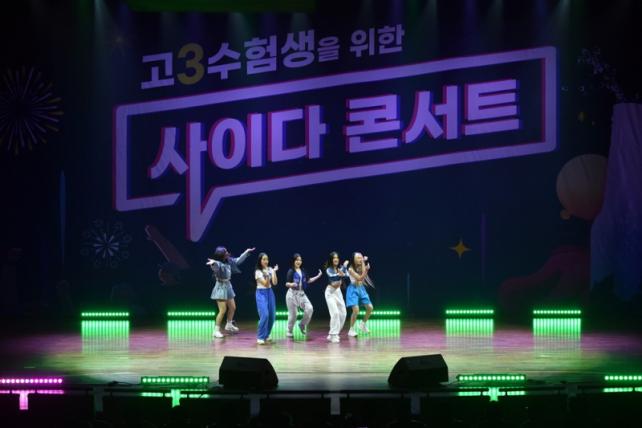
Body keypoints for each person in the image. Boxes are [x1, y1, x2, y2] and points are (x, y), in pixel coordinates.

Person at [206, 246, 255, 338]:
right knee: (222, 310)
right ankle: (216, 331)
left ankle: (229, 324)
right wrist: (213, 264)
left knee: (232, 307)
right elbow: (216, 267)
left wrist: (246, 252)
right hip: (220, 287)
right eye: (225, 252)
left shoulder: (229, 261)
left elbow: (238, 260)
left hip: (228, 286)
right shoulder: (218, 263)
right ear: (221, 255)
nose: (227, 253)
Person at [284, 253, 322, 338]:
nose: (299, 262)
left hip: (301, 294)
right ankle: (289, 331)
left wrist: (318, 276)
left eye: (300, 260)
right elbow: (287, 283)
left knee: (310, 308)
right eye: (297, 260)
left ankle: (302, 324)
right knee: (293, 315)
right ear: (294, 261)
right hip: (291, 295)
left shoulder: (303, 271)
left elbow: (308, 280)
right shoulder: (291, 271)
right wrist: (291, 284)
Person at [346, 252, 374, 337]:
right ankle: (351, 329)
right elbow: (360, 278)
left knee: (370, 308)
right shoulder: (350, 269)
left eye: (361, 257)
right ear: (353, 259)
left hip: (361, 288)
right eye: (358, 258)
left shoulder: (361, 265)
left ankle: (362, 324)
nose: (360, 259)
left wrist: (363, 262)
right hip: (353, 289)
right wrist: (366, 269)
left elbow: (363, 273)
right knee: (356, 310)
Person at [324, 251, 349, 343]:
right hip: (330, 292)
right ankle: (333, 334)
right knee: (335, 313)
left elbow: (347, 276)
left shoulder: (340, 268)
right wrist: (344, 267)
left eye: (337, 258)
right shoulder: (328, 269)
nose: (336, 259)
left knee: (343, 313)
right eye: (334, 258)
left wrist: (344, 273)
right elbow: (333, 277)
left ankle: (333, 333)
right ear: (331, 259)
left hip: (338, 292)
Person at [255, 252, 278, 345]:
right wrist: (268, 275)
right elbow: (265, 284)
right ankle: (260, 336)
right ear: (260, 261)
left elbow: (275, 283)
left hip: (270, 293)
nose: (266, 261)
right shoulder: (258, 272)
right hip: (261, 293)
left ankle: (267, 334)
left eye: (267, 259)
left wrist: (274, 272)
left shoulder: (270, 269)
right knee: (265, 314)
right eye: (264, 259)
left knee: (272, 315)